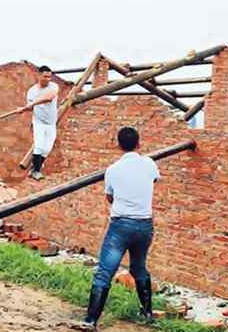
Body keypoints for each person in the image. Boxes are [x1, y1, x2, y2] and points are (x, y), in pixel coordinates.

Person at [80, 127, 159, 331]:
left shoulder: (113, 170)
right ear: (139, 143)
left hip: (121, 226)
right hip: (144, 226)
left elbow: (110, 197)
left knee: (104, 273)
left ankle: (90, 321)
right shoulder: (149, 164)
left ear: (118, 145)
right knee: (138, 268)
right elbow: (153, 180)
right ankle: (148, 313)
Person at [17, 65, 59, 181]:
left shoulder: (53, 87)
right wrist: (23, 109)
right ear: (39, 75)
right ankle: (36, 171)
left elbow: (49, 98)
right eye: (45, 77)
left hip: (51, 122)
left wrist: (32, 103)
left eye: (49, 77)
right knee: (39, 146)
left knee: (47, 149)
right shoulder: (32, 91)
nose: (48, 79)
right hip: (39, 122)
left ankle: (34, 169)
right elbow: (31, 108)